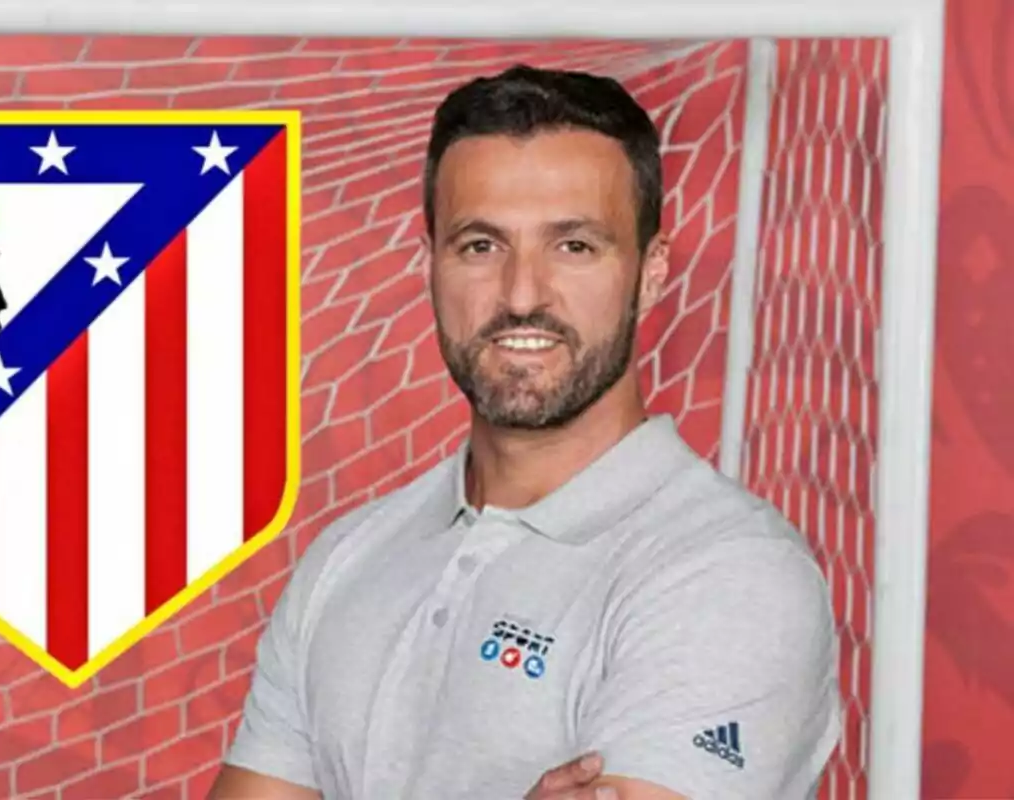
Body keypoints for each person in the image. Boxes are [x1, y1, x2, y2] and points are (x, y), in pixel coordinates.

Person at [207, 64, 841, 800]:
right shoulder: (350, 556)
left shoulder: (731, 575)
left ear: (652, 270)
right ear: (430, 263)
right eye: (481, 245)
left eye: (574, 246)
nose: (521, 294)